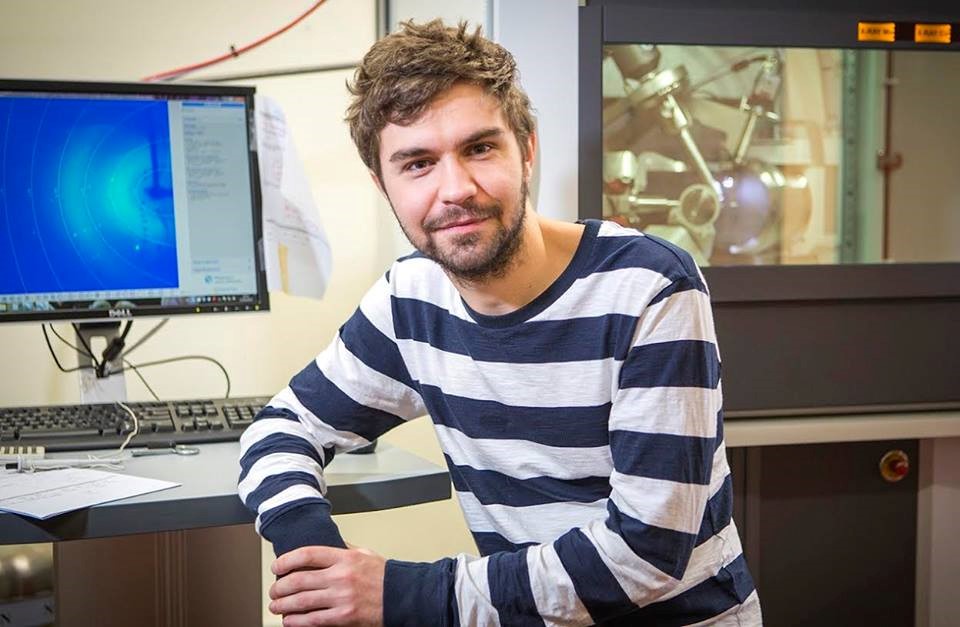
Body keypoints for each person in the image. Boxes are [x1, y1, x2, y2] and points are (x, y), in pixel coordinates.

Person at [238, 19, 761, 627]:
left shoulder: (649, 287)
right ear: (383, 185)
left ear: (527, 149)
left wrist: (396, 593)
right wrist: (315, 558)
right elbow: (279, 430)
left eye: (480, 149)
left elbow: (644, 556)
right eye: (418, 164)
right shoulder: (413, 298)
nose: (455, 189)